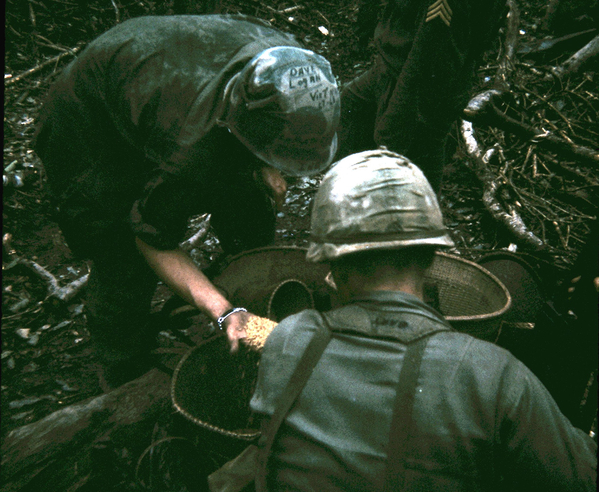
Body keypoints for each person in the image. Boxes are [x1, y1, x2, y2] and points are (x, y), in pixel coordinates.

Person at [247, 149, 597, 491]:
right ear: (432, 255)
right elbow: (581, 478)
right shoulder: (491, 374)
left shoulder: (288, 338)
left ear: (330, 265)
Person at [33, 14, 340, 388]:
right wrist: (223, 312)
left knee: (249, 199)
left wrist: (266, 164)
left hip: (168, 77)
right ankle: (122, 372)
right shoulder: (190, 147)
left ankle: (246, 291)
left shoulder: (293, 68)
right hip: (89, 123)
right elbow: (152, 238)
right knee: (121, 254)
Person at [338, 0, 506, 189]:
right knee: (353, 105)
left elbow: (425, 56)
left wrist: (396, 118)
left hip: (416, 83)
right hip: (394, 66)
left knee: (413, 161)